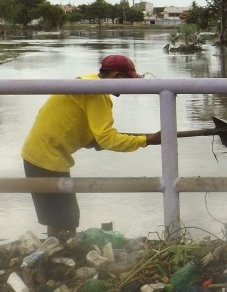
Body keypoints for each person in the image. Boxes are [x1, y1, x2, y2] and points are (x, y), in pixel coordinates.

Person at [21, 54, 161, 239]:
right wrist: (146, 141)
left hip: (41, 153)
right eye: (128, 80)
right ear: (117, 76)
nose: (129, 87)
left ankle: (56, 248)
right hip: (46, 157)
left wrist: (92, 140)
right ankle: (58, 252)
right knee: (65, 219)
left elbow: (77, 124)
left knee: (61, 218)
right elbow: (107, 138)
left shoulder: (89, 82)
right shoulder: (97, 93)